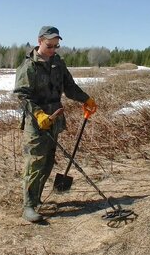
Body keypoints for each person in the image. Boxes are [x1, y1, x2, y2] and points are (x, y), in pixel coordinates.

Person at [14, 26, 97, 223]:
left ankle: (37, 198)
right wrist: (39, 114)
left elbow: (69, 87)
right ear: (39, 41)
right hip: (36, 122)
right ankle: (28, 206)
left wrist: (86, 99)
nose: (52, 49)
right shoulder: (29, 67)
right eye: (49, 45)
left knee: (48, 161)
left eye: (56, 46)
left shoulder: (58, 64)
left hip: (55, 119)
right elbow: (21, 96)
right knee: (35, 162)